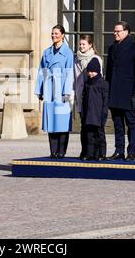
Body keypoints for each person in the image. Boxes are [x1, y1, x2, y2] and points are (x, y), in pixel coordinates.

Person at [105, 21, 135, 161]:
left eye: (118, 31)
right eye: (114, 31)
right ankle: (119, 150)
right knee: (117, 124)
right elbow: (108, 73)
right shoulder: (111, 48)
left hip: (128, 92)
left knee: (131, 123)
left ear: (126, 32)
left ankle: (132, 151)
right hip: (114, 91)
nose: (115, 33)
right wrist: (107, 91)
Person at [35, 25, 74, 159]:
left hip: (62, 89)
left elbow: (70, 74)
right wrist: (39, 89)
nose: (54, 36)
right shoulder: (46, 52)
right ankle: (53, 150)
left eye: (56, 33)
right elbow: (41, 71)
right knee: (51, 121)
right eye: (52, 34)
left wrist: (66, 92)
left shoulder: (68, 52)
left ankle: (61, 151)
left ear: (62, 35)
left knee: (62, 121)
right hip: (49, 88)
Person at [74, 35, 104, 160]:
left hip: (93, 96)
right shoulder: (76, 59)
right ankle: (84, 151)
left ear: (90, 45)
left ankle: (98, 152)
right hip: (80, 94)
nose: (81, 46)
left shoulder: (96, 59)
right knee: (83, 126)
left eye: (84, 44)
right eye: (80, 44)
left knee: (96, 127)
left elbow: (99, 78)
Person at [80, 58, 109, 161]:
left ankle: (101, 154)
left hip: (98, 114)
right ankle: (90, 154)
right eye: (89, 71)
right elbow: (84, 99)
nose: (91, 74)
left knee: (100, 135)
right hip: (88, 114)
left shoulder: (103, 84)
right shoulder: (87, 84)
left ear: (98, 71)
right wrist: (83, 113)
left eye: (93, 71)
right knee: (89, 135)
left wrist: (104, 114)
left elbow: (105, 101)